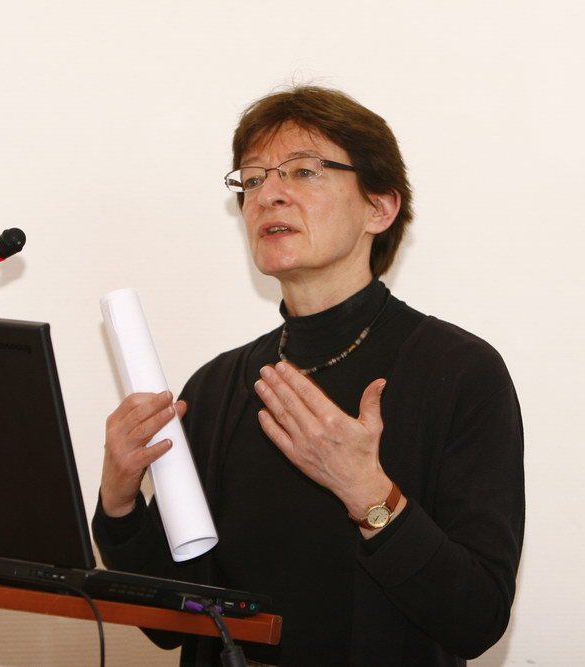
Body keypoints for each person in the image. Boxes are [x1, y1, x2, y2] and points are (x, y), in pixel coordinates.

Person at [92, 86, 524, 666]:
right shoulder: (216, 388)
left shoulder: (459, 372)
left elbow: (476, 619)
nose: (269, 195)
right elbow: (177, 621)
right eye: (252, 180)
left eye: (303, 171)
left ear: (379, 208)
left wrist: (369, 493)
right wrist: (120, 502)